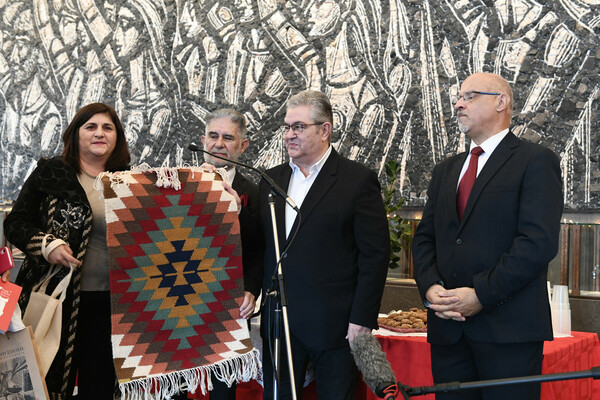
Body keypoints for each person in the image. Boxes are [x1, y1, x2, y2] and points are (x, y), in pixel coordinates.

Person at [412, 73, 563, 400]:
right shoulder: (446, 170)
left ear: (501, 101)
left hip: (507, 332)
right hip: (448, 331)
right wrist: (431, 288)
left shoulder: (535, 161)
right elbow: (425, 240)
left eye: (469, 95)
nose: (458, 104)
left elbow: (537, 243)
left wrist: (481, 294)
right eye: (458, 96)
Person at [259, 90, 390, 399]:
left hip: (335, 327)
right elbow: (261, 245)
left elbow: (375, 255)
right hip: (279, 324)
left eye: (299, 127)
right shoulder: (270, 180)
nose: (289, 135)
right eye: (287, 127)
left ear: (324, 130)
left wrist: (362, 319)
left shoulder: (357, 180)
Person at [3, 103, 131, 399]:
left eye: (107, 128)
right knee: (45, 381)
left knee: (99, 387)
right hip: (51, 299)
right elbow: (16, 222)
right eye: (91, 127)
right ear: (76, 135)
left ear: (117, 137)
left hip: (111, 304)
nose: (99, 133)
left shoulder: (129, 180)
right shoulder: (51, 174)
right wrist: (47, 245)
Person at [174, 108, 264, 400]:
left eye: (228, 137)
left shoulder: (254, 193)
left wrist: (251, 289)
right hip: (175, 301)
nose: (218, 143)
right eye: (213, 135)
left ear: (242, 145)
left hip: (229, 304)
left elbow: (257, 249)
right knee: (174, 387)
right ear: (203, 139)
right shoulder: (174, 183)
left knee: (223, 390)